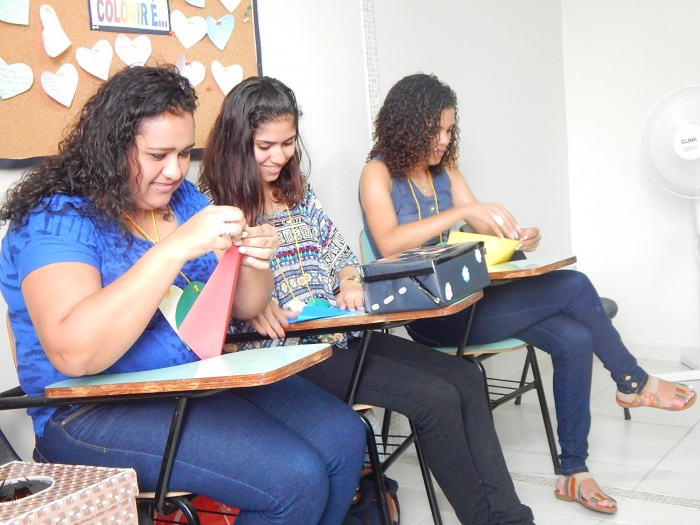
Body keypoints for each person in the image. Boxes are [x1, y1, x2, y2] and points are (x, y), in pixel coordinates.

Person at [0, 65, 366, 525]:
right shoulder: (57, 218)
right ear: (111, 147)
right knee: (295, 479)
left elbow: (247, 306)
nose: (175, 170)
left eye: (183, 153)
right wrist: (175, 248)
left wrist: (253, 260)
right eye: (157, 155)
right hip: (86, 411)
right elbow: (75, 354)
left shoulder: (185, 199)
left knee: (343, 437)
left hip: (190, 383)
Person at [199, 75, 536, 525]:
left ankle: (512, 518)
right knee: (435, 400)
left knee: (466, 377)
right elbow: (206, 293)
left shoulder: (295, 192)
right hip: (291, 351)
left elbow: (341, 254)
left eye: (288, 143)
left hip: (341, 331)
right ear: (238, 141)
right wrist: (252, 304)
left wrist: (348, 279)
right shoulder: (213, 208)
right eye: (266, 146)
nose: (279, 156)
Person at [360, 72, 697, 515]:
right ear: (407, 124)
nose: (443, 140)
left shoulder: (444, 171)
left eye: (448, 129)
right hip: (432, 317)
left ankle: (574, 472)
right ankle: (632, 381)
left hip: (471, 299)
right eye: (435, 129)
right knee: (574, 285)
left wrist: (517, 236)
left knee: (575, 338)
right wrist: (462, 211)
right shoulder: (377, 172)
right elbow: (387, 243)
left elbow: (484, 227)